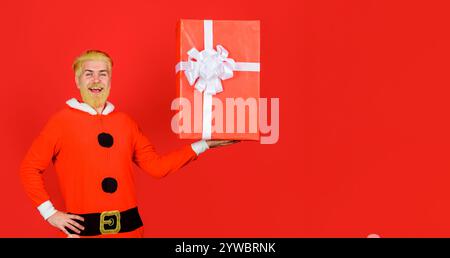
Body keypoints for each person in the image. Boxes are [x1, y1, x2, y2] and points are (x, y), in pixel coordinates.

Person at [19, 50, 238, 238]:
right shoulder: (61, 122)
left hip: (131, 231)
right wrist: (50, 213)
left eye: (102, 74)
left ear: (110, 80)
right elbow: (29, 168)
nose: (96, 80)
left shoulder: (126, 123)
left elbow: (157, 167)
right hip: (84, 233)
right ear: (77, 81)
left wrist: (203, 145)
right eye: (89, 74)